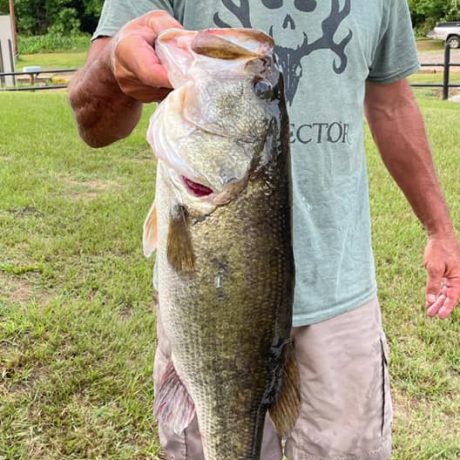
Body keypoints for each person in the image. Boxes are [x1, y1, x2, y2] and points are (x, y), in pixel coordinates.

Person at [68, 1, 460, 459]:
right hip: (212, 314)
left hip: (341, 297)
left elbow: (392, 101)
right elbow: (92, 122)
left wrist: (439, 228)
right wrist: (116, 65)